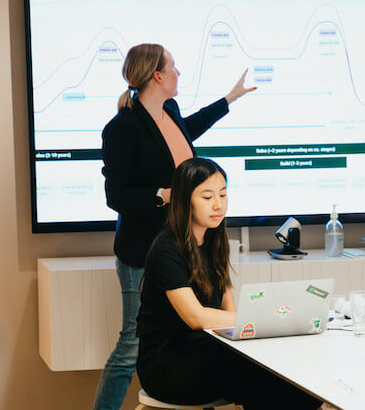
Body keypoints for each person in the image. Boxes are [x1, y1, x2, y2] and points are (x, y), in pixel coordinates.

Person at [93, 43, 255, 410]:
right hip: (143, 250)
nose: (179, 73)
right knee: (131, 343)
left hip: (184, 245)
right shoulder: (122, 128)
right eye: (174, 67)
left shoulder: (170, 110)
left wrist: (230, 98)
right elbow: (115, 196)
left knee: (191, 335)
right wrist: (164, 195)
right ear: (157, 75)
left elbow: (189, 128)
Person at [136, 157, 323, 409]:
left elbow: (230, 312)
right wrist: (262, 318)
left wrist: (263, 324)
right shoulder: (166, 248)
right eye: (207, 197)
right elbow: (197, 317)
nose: (218, 205)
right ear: (184, 200)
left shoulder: (216, 242)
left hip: (206, 351)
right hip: (168, 363)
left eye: (223, 195)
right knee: (261, 378)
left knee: (274, 368)